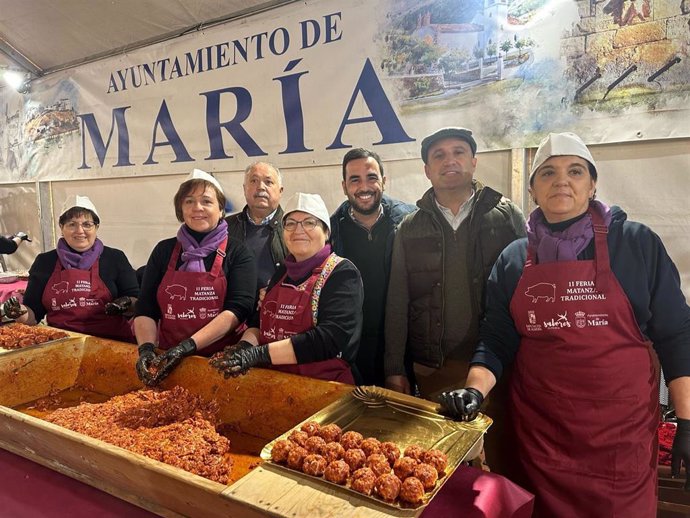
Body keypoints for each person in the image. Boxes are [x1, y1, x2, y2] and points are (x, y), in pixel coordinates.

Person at [440, 132, 690, 517]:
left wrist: (687, 419)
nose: (562, 180)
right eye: (548, 173)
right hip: (541, 436)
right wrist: (474, 392)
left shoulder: (635, 244)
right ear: (532, 189)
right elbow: (497, 339)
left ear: (592, 185)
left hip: (618, 443)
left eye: (575, 171)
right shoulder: (514, 258)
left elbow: (676, 333)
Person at [384, 127, 526, 399]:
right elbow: (397, 301)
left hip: (498, 365)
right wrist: (394, 368)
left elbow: (529, 289)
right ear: (427, 170)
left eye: (458, 152)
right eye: (439, 155)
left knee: (496, 441)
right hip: (433, 368)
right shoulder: (409, 228)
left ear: (474, 161)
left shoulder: (507, 217)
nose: (450, 160)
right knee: (439, 441)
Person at [210, 192, 364, 384]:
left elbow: (328, 339)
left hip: (323, 387)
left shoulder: (342, 273)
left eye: (309, 222)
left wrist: (259, 355)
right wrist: (243, 347)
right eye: (290, 223)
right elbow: (259, 323)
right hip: (274, 383)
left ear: (326, 232)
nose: (298, 230)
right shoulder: (282, 272)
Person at [134, 169, 256, 386]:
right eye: (189, 201)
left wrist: (187, 347)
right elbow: (146, 307)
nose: (197, 208)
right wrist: (146, 349)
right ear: (181, 209)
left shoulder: (238, 252)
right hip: (167, 359)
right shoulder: (164, 250)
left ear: (220, 209)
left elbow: (238, 309)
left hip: (221, 364)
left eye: (206, 201)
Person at [330, 148, 416, 386]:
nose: (364, 187)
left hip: (405, 346)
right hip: (354, 350)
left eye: (371, 177)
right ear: (344, 186)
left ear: (384, 182)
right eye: (354, 179)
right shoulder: (330, 231)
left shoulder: (411, 221)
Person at [3, 195, 138, 342]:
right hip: (62, 343)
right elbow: (33, 315)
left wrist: (125, 304)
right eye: (72, 224)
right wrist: (19, 312)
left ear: (96, 228)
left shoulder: (114, 258)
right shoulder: (45, 261)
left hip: (112, 342)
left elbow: (137, 303)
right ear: (61, 228)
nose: (80, 231)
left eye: (87, 224)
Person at [225, 161, 287, 293]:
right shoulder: (224, 228)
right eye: (254, 181)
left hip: (279, 308)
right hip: (234, 310)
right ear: (244, 189)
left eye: (268, 182)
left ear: (280, 191)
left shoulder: (293, 227)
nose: (261, 187)